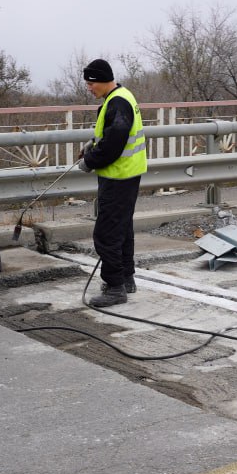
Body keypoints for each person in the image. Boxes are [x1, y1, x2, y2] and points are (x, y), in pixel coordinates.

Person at [77, 59, 147, 308]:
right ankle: (126, 278)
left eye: (90, 83)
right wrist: (92, 145)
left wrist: (90, 160)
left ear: (100, 80)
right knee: (122, 229)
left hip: (118, 176)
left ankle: (115, 287)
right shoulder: (121, 96)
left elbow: (114, 144)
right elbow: (112, 134)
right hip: (128, 175)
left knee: (106, 234)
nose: (88, 88)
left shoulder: (117, 102)